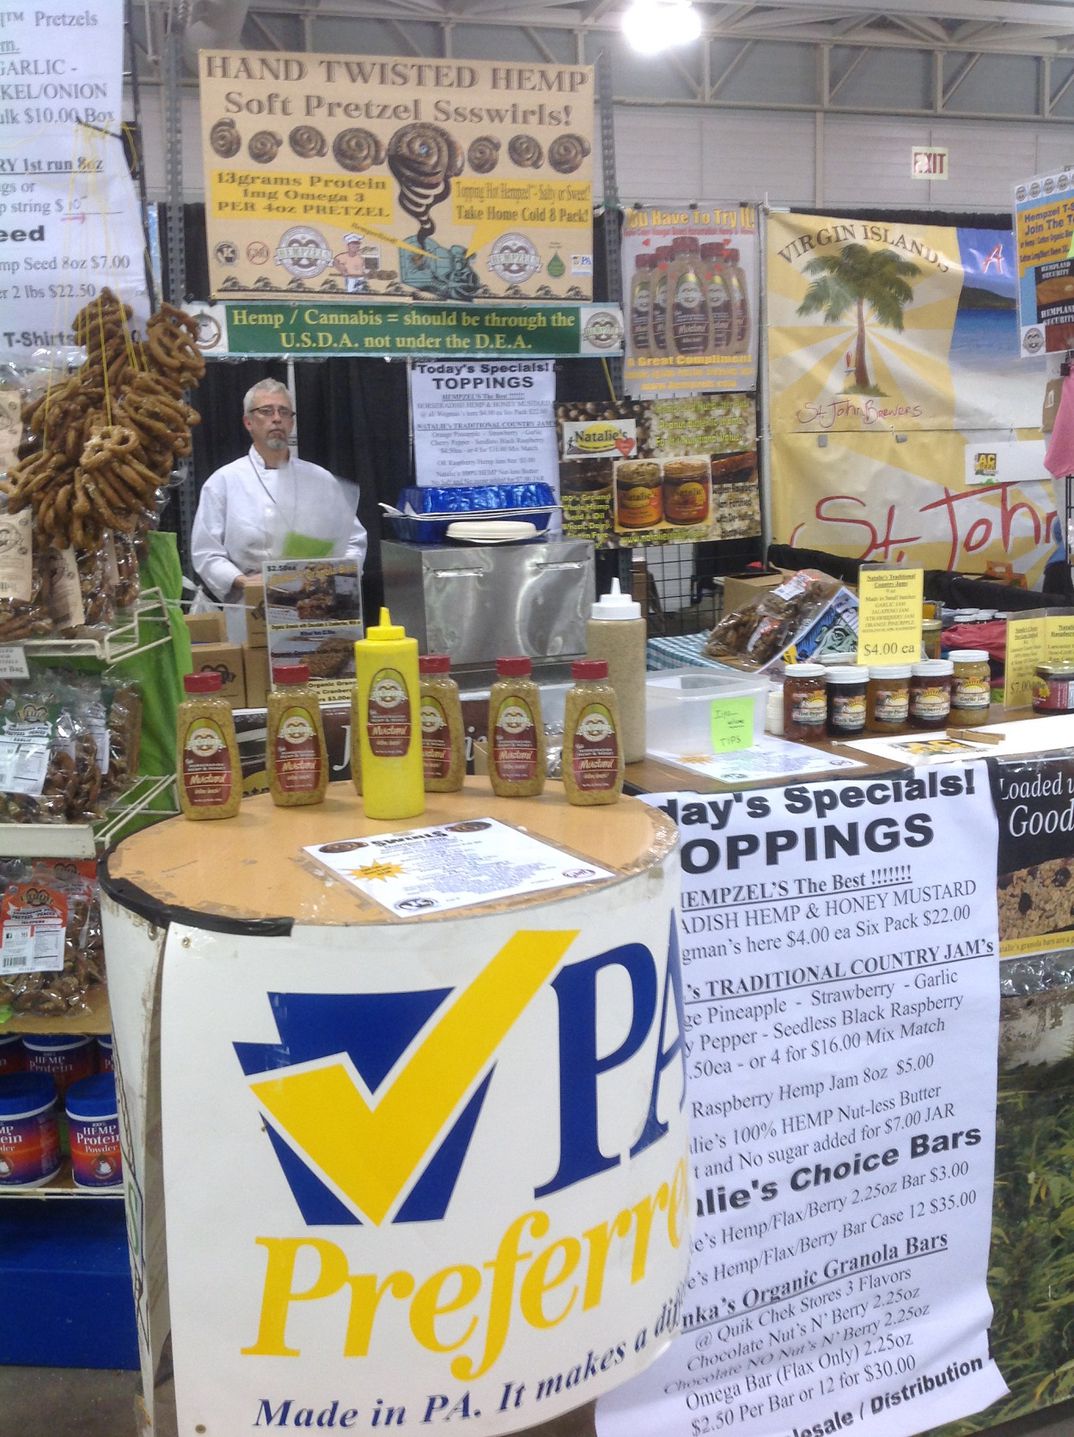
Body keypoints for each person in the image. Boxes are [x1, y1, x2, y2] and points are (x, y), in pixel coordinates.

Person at [191, 378, 367, 605]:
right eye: (266, 411)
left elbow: (354, 541)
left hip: (313, 601)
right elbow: (206, 552)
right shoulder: (224, 481)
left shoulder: (320, 480)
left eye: (284, 412)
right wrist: (242, 581)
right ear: (248, 422)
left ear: (291, 423)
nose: (277, 418)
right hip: (249, 603)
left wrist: (333, 577)